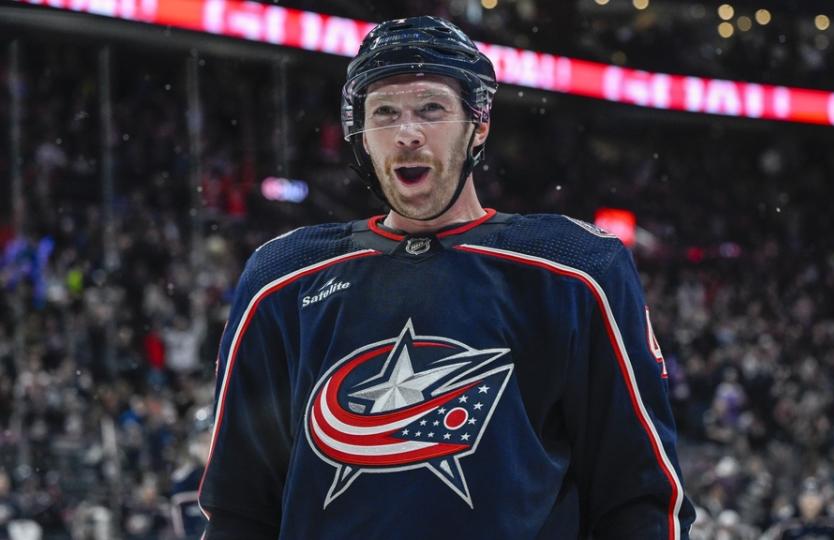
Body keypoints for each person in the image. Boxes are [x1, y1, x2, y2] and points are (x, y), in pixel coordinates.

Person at [198, 15, 695, 539]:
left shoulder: (575, 269)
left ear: (477, 124)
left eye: (431, 109)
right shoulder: (282, 279)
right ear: (361, 138)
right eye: (384, 113)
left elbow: (640, 496)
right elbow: (238, 509)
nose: (407, 133)